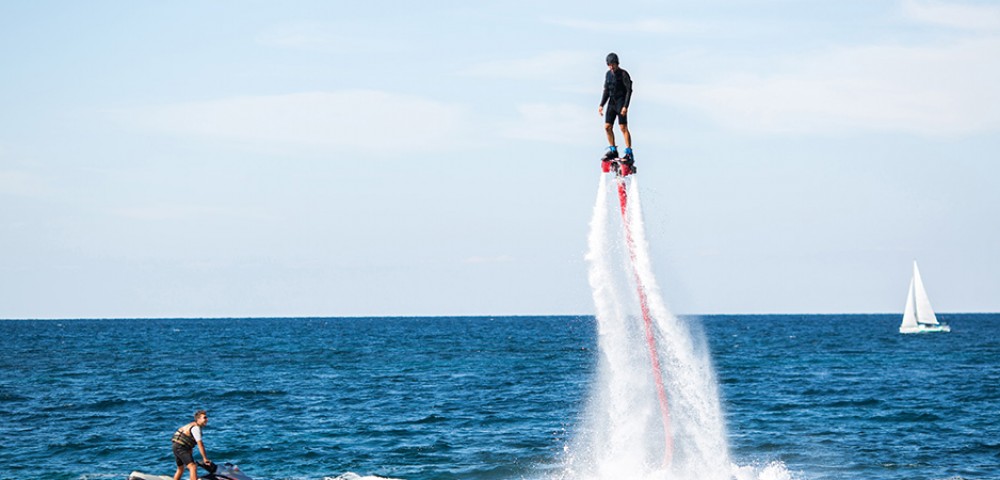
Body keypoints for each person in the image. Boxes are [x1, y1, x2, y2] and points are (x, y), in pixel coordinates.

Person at [599, 52, 634, 164]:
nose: (611, 67)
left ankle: (629, 152)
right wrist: (601, 105)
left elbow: (629, 90)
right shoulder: (608, 74)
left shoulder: (623, 74)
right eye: (609, 65)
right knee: (607, 127)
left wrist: (625, 106)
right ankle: (613, 150)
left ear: (617, 63)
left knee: (623, 127)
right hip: (611, 103)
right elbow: (606, 90)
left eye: (613, 64)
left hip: (620, 103)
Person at [172, 410, 212, 480]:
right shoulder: (196, 428)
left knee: (180, 468)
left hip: (176, 446)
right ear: (198, 419)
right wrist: (205, 458)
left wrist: (189, 451)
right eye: (204, 418)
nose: (207, 419)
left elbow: (188, 440)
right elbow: (200, 444)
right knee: (193, 467)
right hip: (181, 447)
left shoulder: (192, 425)